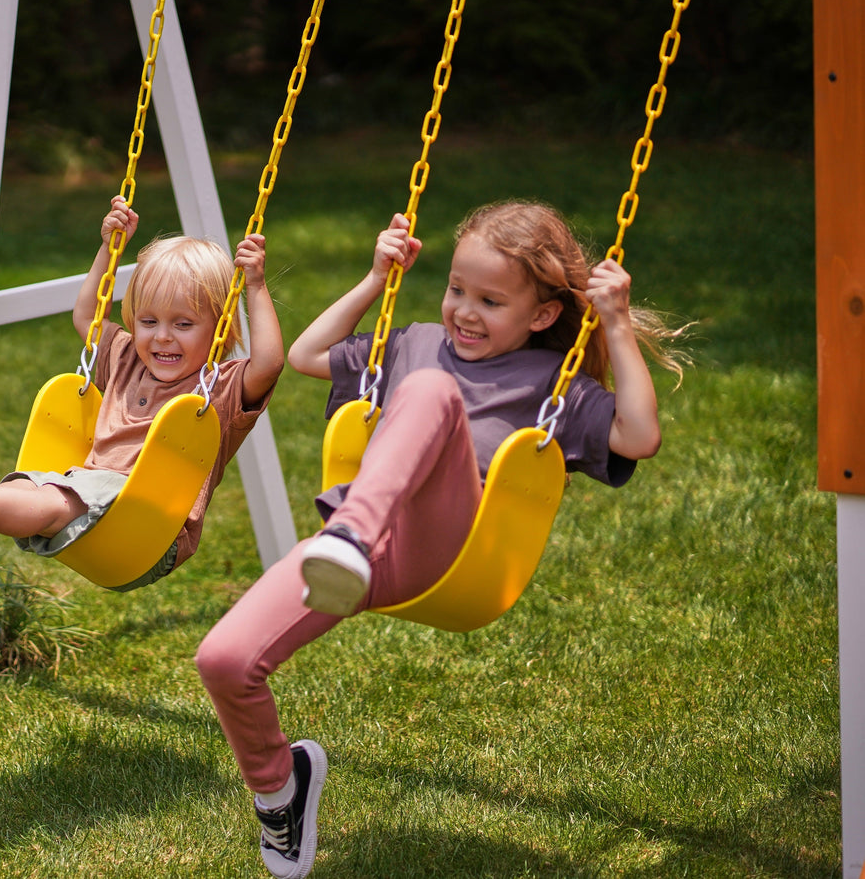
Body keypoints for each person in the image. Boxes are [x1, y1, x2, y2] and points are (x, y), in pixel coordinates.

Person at [195, 200, 688, 878]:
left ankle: (354, 539)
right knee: (222, 659)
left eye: (490, 300)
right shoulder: (413, 341)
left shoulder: (549, 382)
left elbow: (638, 436)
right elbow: (307, 355)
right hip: (356, 546)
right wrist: (374, 279)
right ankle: (281, 791)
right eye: (456, 288)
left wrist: (616, 326)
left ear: (541, 315)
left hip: (450, 550)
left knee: (429, 392)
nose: (462, 310)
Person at [0, 195, 285, 591]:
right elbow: (87, 314)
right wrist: (109, 250)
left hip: (148, 530)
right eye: (149, 321)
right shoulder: (125, 358)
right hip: (86, 494)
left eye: (184, 324)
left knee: (55, 498)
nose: (162, 339)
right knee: (33, 490)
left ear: (221, 328)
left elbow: (269, 364)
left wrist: (256, 285)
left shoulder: (220, 388)